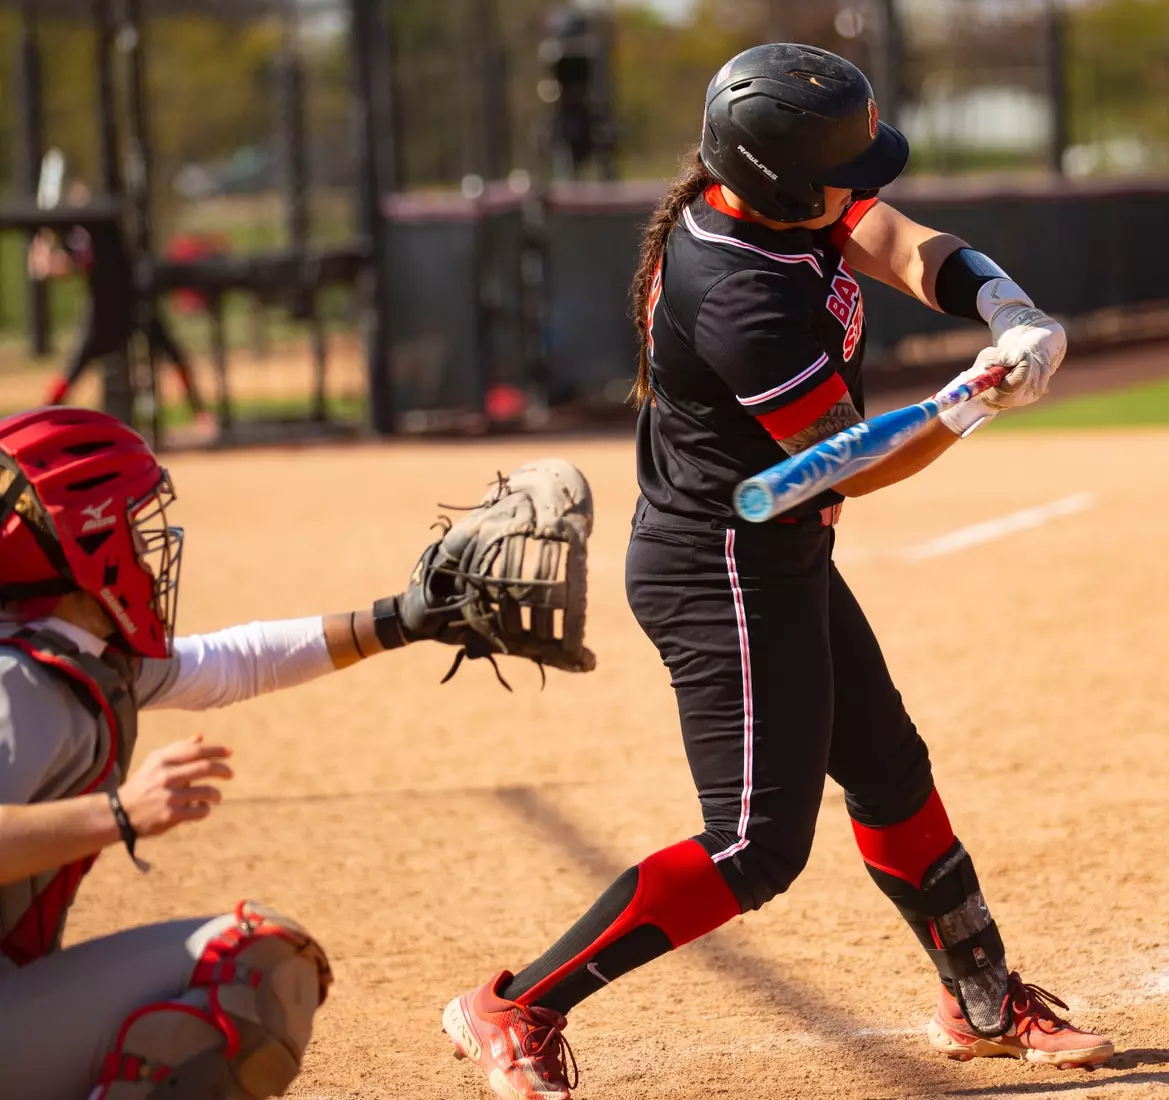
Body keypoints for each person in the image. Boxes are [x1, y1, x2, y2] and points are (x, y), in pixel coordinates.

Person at [442, 43, 1111, 1100]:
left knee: (890, 770)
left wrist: (1007, 311)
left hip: (777, 543)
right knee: (756, 844)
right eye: (847, 170)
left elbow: (897, 240)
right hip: (721, 565)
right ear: (787, 181)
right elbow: (849, 461)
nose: (866, 185)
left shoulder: (781, 202)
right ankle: (518, 1001)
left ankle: (982, 999)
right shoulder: (733, 285)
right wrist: (974, 399)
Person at [0, 405, 481, 1099]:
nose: (151, 542)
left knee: (265, 964)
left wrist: (399, 620)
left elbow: (232, 662)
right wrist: (120, 813)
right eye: (135, 525)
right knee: (253, 969)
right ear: (89, 539)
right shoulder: (18, 679)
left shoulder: (74, 654)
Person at [29, 178, 209, 422]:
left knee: (172, 353)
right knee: (74, 368)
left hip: (133, 301)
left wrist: (50, 265)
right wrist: (43, 258)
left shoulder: (105, 227)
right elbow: (67, 262)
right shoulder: (71, 234)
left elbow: (82, 261)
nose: (83, 203)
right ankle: (42, 417)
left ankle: (201, 413)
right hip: (101, 310)